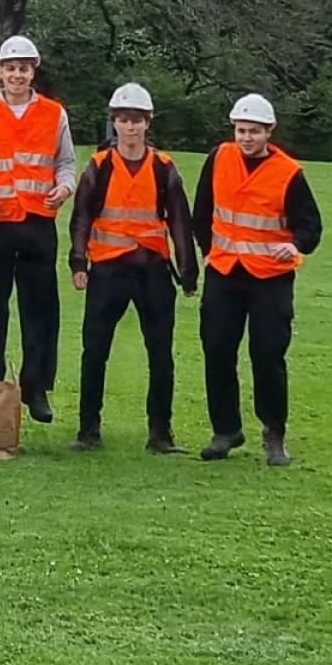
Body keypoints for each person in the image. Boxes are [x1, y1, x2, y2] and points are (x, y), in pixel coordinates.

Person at [191, 93, 323, 466]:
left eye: (254, 131)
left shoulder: (289, 173)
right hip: (224, 272)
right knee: (217, 349)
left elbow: (311, 226)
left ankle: (274, 432)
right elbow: (202, 211)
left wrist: (294, 245)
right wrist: (207, 250)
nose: (246, 138)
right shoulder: (219, 158)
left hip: (270, 277)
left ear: (269, 131)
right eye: (241, 130)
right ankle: (225, 430)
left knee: (267, 355)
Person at [66, 84, 199, 455]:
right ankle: (88, 430)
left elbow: (180, 221)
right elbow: (81, 217)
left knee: (161, 354)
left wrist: (188, 272)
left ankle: (160, 433)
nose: (130, 127)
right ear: (114, 123)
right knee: (95, 351)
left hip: (152, 270)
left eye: (137, 120)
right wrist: (78, 262)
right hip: (107, 270)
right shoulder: (99, 167)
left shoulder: (163, 167)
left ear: (147, 123)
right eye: (124, 120)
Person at [0, 34, 76, 424]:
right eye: (11, 68)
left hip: (39, 221)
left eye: (23, 68)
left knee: (40, 306)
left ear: (33, 71)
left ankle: (36, 384)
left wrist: (65, 187)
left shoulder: (55, 114)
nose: (17, 75)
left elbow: (66, 163)